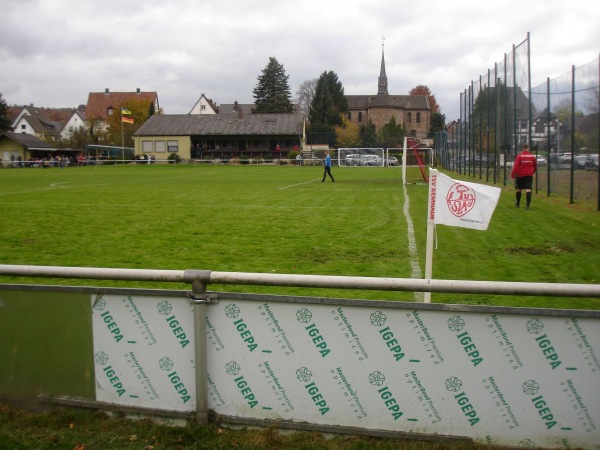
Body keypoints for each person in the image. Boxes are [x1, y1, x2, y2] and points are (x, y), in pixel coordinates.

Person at [511, 143, 537, 210]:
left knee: (519, 189)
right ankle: (527, 205)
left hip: (520, 175)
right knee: (528, 189)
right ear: (528, 148)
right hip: (529, 175)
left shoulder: (519, 156)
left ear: (522, 149)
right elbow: (535, 166)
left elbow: (516, 166)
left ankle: (518, 203)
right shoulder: (532, 156)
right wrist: (532, 172)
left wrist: (513, 175)